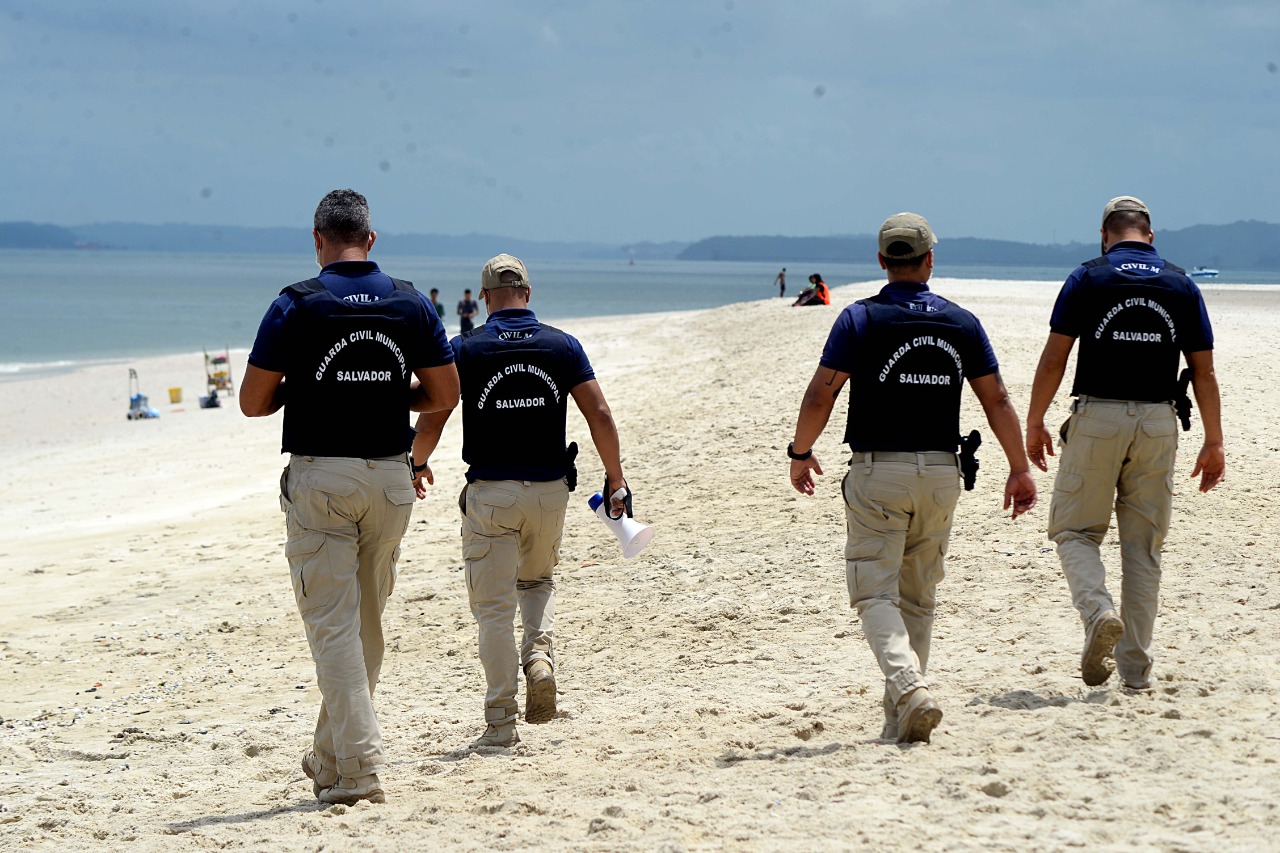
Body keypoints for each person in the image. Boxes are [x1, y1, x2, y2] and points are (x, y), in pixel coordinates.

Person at [240, 189, 460, 805]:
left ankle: (361, 767)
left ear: (317, 239)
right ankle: (331, 757)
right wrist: (391, 398)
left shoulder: (297, 304)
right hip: (391, 478)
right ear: (371, 239)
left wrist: (308, 391)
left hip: (324, 480)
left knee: (334, 627)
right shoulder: (410, 301)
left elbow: (253, 401)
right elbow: (444, 392)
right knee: (365, 625)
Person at [788, 212, 1037, 744]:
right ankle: (899, 717)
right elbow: (996, 398)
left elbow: (820, 394)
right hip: (943, 472)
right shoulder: (960, 322)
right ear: (929, 260)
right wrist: (1018, 467)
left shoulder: (860, 319)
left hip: (881, 472)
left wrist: (800, 451)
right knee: (918, 598)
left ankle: (909, 688)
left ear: (882, 261)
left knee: (874, 594)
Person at [411, 253, 632, 749]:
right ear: (528, 294)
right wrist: (615, 478)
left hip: (492, 493)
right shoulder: (562, 345)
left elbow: (435, 416)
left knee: (493, 609)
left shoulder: (466, 348)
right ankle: (539, 657)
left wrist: (416, 462)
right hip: (551, 491)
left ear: (485, 298)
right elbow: (599, 412)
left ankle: (501, 720)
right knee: (537, 579)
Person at [1025, 195, 1224, 691]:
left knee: (1074, 531)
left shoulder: (1088, 277)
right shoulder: (1181, 282)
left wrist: (1035, 420)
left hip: (1099, 415)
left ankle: (1097, 614)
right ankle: (1135, 669)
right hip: (1159, 421)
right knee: (1143, 548)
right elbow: (1204, 371)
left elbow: (1054, 360)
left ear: (1104, 233)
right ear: (1150, 237)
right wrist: (1214, 441)